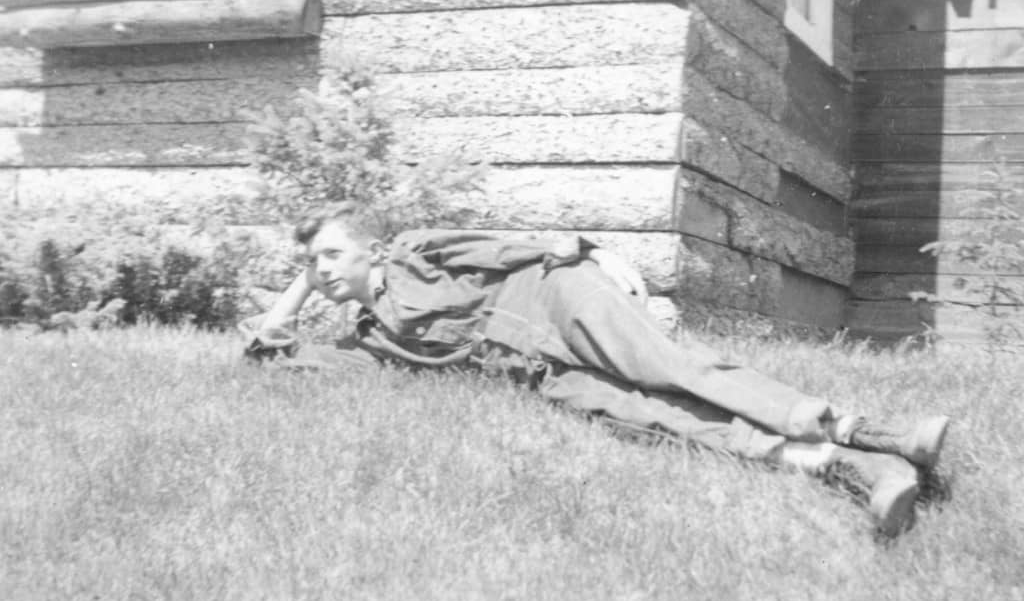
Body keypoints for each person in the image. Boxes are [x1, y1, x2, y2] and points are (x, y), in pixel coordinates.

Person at [240, 203, 951, 536]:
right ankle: (859, 475)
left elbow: (521, 246)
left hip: (558, 299)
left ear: (369, 247)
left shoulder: (418, 250)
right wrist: (296, 293)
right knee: (653, 419)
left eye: (331, 255)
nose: (320, 271)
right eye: (310, 263)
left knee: (669, 367)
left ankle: (882, 433)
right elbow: (274, 351)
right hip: (533, 372)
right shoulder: (368, 339)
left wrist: (598, 263)